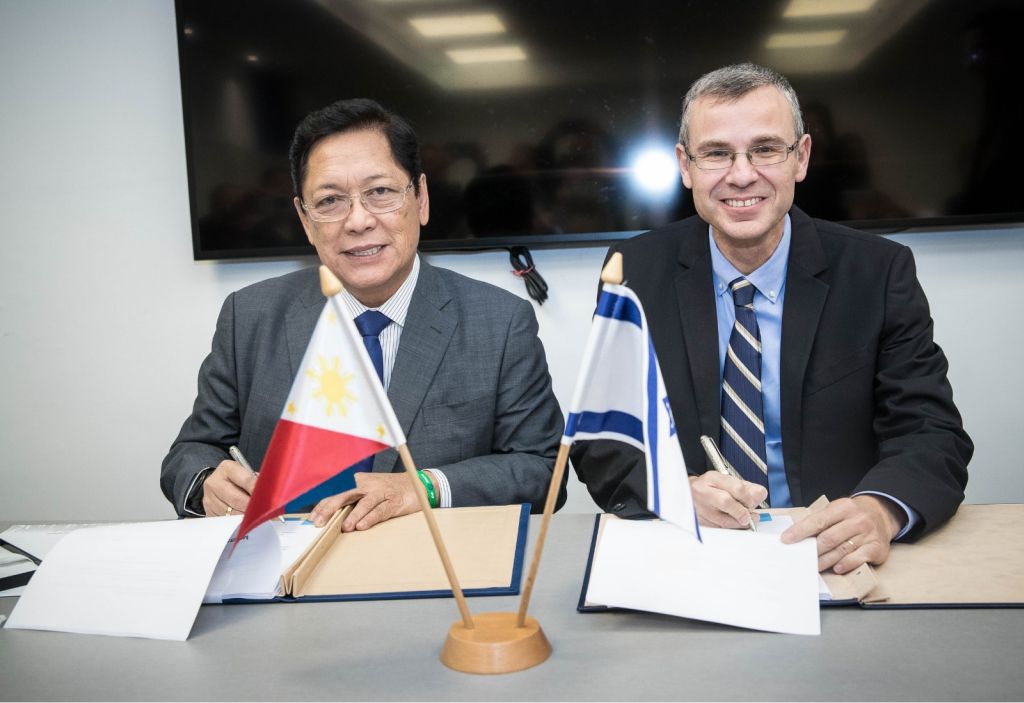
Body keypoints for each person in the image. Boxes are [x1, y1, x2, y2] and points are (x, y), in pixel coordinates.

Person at [571, 63, 972, 574]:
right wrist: (673, 492)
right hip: (692, 552)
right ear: (685, 166)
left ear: (800, 157)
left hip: (832, 556)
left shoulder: (877, 271)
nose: (742, 174)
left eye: (765, 149)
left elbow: (931, 432)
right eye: (717, 153)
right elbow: (601, 439)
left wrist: (881, 510)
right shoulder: (633, 272)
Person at [162, 99, 565, 531]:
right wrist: (207, 482)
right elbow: (191, 452)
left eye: (380, 192)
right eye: (330, 200)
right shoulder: (249, 316)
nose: (358, 221)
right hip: (289, 561)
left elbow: (543, 472)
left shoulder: (499, 321)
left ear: (421, 198)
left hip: (433, 560)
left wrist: (424, 487)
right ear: (305, 219)